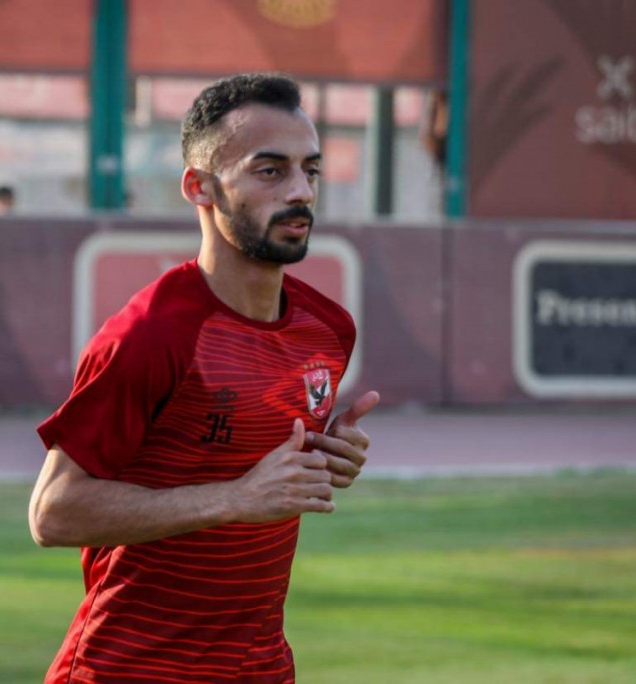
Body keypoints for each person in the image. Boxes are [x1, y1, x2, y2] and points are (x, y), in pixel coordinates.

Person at [29, 73, 380, 683]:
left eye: (310, 170)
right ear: (201, 187)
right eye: (269, 171)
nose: (300, 191)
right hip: (128, 670)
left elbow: (248, 462)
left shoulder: (328, 330)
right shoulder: (150, 334)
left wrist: (325, 458)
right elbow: (53, 513)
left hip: (261, 667)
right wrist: (235, 498)